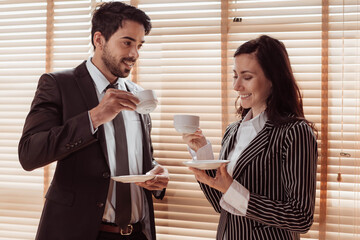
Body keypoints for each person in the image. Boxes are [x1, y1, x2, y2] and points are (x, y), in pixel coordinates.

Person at [18, 2, 169, 240]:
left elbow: (138, 157)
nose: (134, 54)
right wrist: (95, 116)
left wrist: (156, 175)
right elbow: (29, 154)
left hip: (137, 234)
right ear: (99, 40)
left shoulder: (138, 94)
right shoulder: (57, 84)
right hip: (81, 232)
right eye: (127, 42)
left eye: (139, 45)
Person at [182, 35, 318, 240]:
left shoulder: (294, 132)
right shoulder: (233, 131)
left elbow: (300, 217)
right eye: (235, 75)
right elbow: (223, 205)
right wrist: (202, 151)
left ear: (273, 79)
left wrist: (233, 190)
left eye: (247, 77)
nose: (236, 86)